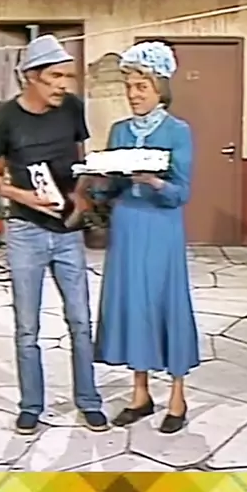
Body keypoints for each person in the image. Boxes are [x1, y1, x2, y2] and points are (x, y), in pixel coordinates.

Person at [0, 34, 107, 434]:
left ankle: (89, 401)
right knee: (27, 327)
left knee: (80, 320)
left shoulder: (73, 108)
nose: (63, 84)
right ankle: (31, 406)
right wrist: (23, 196)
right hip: (25, 231)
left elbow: (81, 160)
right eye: (55, 77)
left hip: (67, 230)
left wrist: (81, 197)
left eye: (67, 76)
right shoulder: (4, 118)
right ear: (31, 77)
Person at [93, 41, 200, 434]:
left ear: (160, 88)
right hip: (127, 225)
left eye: (141, 86)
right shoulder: (120, 130)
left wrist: (154, 181)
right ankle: (140, 394)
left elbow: (181, 192)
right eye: (130, 87)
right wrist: (96, 180)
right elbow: (111, 187)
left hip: (160, 226)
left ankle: (177, 397)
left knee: (164, 302)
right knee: (134, 304)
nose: (133, 94)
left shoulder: (177, 131)